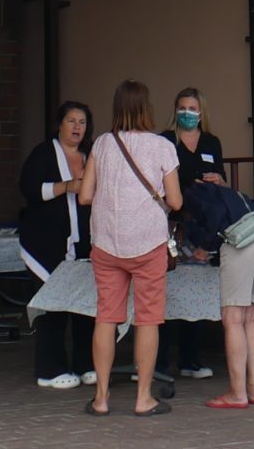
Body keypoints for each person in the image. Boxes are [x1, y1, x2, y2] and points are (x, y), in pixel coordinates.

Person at [78, 80, 181, 418]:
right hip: (148, 243)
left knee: (106, 317)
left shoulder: (102, 144)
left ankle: (102, 398)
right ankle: (143, 398)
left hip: (106, 242)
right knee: (148, 319)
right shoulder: (162, 145)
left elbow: (85, 196)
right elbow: (176, 201)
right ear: (147, 107)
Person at [178, 160, 254, 410]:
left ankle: (237, 393)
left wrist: (205, 248)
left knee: (232, 319)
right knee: (250, 318)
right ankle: (253, 390)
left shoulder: (194, 192)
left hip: (241, 244)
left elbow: (214, 218)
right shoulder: (231, 191)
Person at [16, 100, 92, 388]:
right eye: (71, 121)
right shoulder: (43, 153)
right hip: (45, 245)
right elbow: (29, 189)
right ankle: (49, 370)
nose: (77, 127)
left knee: (85, 307)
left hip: (82, 246)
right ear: (59, 124)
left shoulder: (91, 154)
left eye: (82, 122)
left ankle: (86, 363)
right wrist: (66, 186)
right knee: (53, 308)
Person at [161, 87, 225, 382]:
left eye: (192, 108)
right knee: (164, 290)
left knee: (195, 290)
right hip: (172, 223)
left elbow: (222, 178)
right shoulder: (165, 140)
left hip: (202, 225)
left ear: (202, 112)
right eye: (182, 107)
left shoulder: (212, 141)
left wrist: (218, 180)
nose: (187, 113)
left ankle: (191, 359)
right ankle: (158, 362)